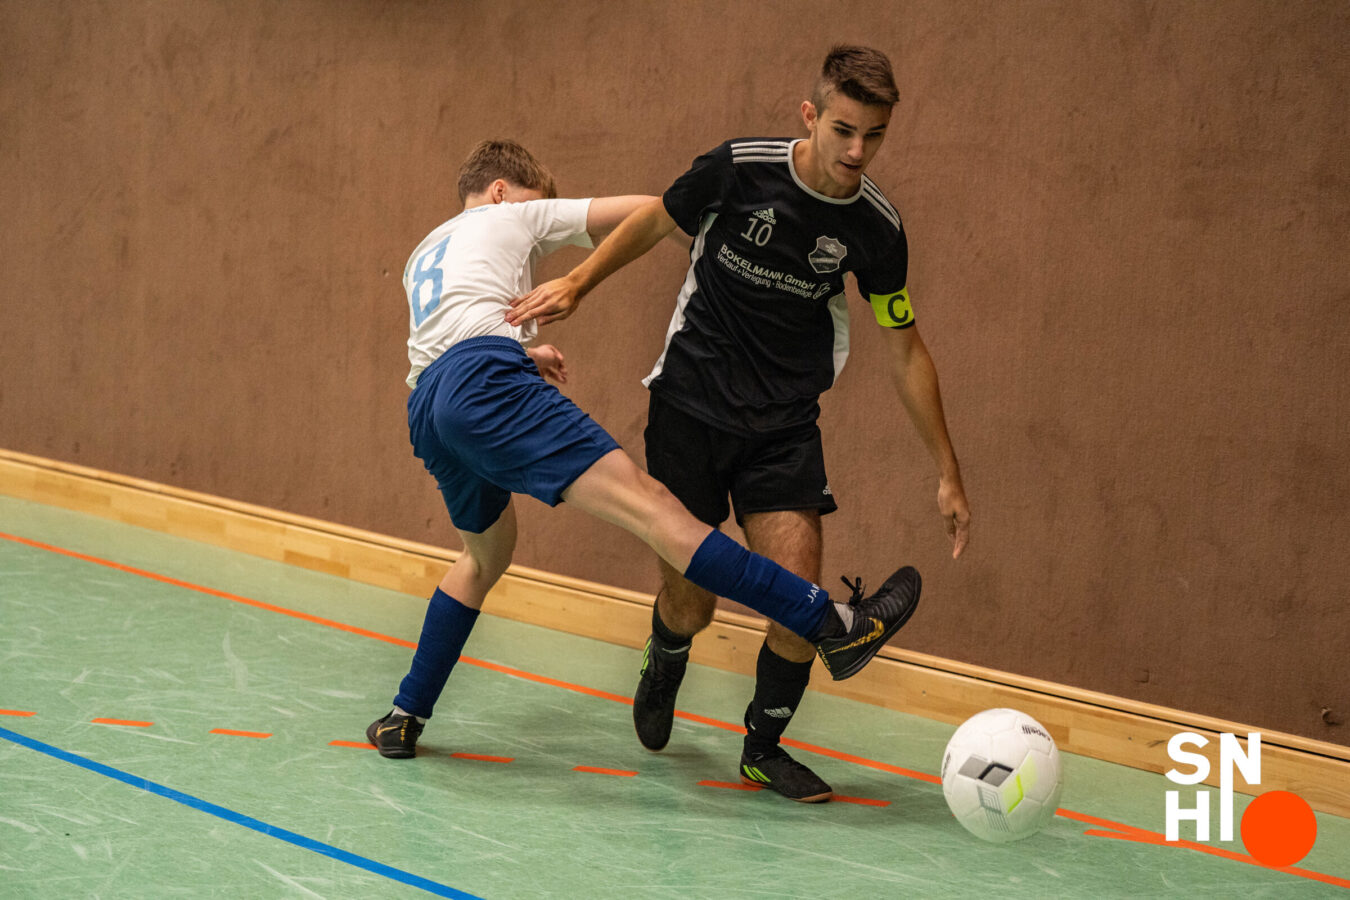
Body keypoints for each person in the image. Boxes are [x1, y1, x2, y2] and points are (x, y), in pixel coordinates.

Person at [507, 46, 970, 803]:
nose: (857, 152)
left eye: (874, 136)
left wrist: (947, 470)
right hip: (689, 408)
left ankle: (762, 748)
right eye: (844, 130)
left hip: (783, 425)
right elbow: (656, 219)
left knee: (797, 593)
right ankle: (666, 653)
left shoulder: (877, 228)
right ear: (810, 116)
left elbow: (905, 346)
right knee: (693, 602)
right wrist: (579, 283)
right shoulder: (739, 169)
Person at [367, 138, 923, 760]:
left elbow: (449, 334)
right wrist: (712, 235)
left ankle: (404, 714)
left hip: (430, 409)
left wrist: (522, 351)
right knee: (656, 510)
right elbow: (644, 209)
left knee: (482, 559)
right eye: (534, 201)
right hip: (485, 385)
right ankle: (833, 623)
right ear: (501, 191)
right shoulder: (512, 214)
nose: (539, 227)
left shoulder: (425, 252)